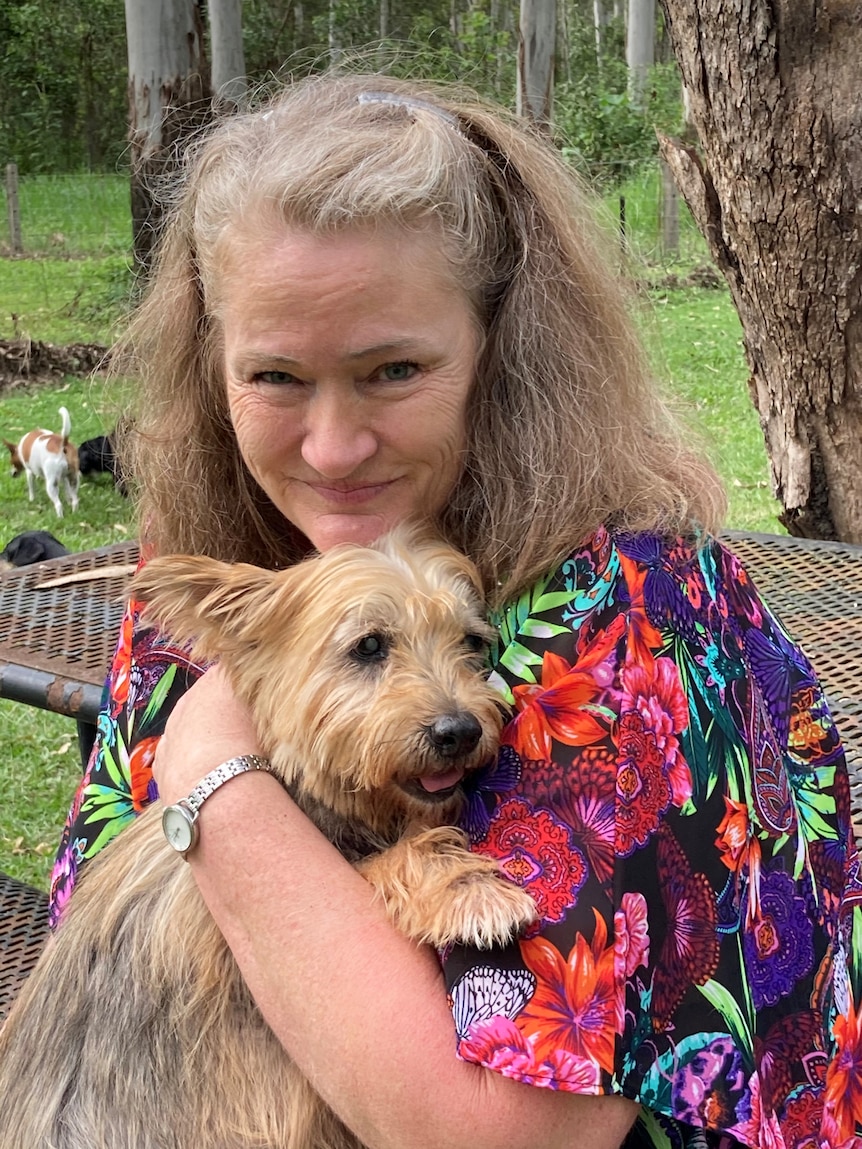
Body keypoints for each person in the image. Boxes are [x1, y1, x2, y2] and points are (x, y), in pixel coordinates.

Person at [50, 71, 862, 1149]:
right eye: (276, 377)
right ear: (213, 369)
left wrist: (215, 775)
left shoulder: (633, 611)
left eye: (393, 370)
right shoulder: (217, 569)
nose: (332, 449)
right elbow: (104, 932)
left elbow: (500, 1135)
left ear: (502, 349)